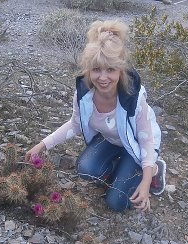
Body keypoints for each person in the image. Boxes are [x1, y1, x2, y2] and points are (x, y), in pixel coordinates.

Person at [25, 19, 166, 212]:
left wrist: (146, 181)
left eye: (110, 69)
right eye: (96, 69)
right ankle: (124, 174)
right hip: (111, 139)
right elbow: (74, 124)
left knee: (116, 203)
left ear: (121, 70)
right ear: (88, 69)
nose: (103, 77)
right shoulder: (84, 96)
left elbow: (147, 141)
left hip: (138, 145)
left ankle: (155, 170)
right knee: (86, 169)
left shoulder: (133, 99)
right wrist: (42, 144)